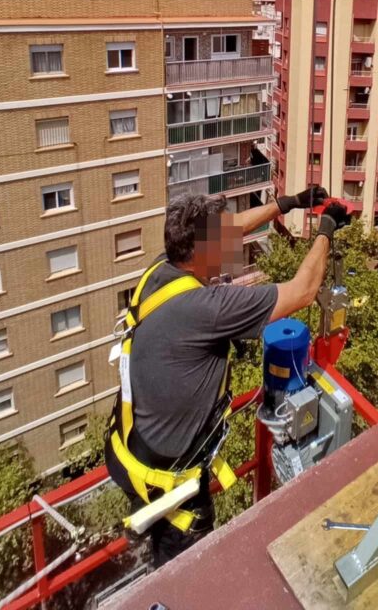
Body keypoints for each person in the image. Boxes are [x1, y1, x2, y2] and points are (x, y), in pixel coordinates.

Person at [105, 186, 350, 568]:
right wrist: (326, 228)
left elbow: (234, 227)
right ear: (204, 249)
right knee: (183, 575)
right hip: (174, 489)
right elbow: (303, 292)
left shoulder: (162, 271)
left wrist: (290, 203)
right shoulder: (208, 307)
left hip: (131, 449)